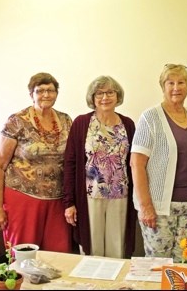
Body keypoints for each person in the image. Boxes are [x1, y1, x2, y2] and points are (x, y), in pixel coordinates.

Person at [130, 63, 187, 261]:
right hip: (158, 208)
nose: (176, 87)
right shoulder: (150, 118)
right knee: (158, 264)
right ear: (162, 87)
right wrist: (146, 206)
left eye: (181, 82)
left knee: (186, 263)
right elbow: (136, 164)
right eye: (170, 82)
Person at [0, 72, 72, 252]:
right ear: (31, 94)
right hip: (23, 198)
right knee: (24, 254)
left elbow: (72, 161)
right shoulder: (17, 121)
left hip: (57, 201)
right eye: (40, 90)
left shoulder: (66, 120)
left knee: (59, 255)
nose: (46, 95)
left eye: (50, 90)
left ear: (56, 93)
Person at [63, 76, 137, 258]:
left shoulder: (127, 124)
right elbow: (70, 163)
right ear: (93, 97)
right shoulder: (81, 123)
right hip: (89, 196)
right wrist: (69, 202)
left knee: (117, 249)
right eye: (100, 93)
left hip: (121, 195)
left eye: (110, 92)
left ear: (117, 95)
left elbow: (135, 162)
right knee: (92, 252)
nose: (105, 97)